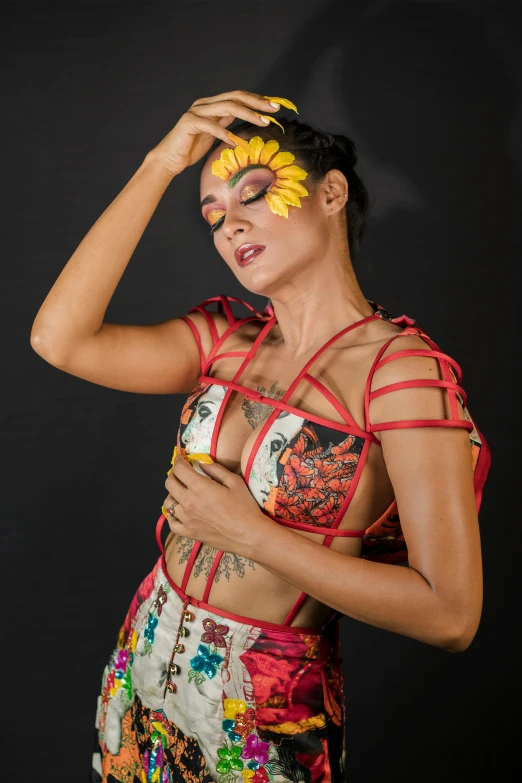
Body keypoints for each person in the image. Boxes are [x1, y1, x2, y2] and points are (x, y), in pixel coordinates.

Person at [30, 90, 491, 783]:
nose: (229, 226)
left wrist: (252, 535)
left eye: (252, 192)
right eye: (213, 215)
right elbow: (58, 338)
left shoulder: (400, 373)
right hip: (141, 672)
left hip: (261, 714)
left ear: (332, 193)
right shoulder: (225, 342)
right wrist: (160, 163)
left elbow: (450, 614)